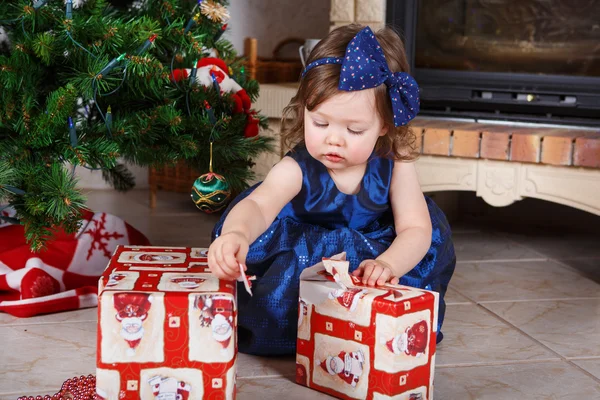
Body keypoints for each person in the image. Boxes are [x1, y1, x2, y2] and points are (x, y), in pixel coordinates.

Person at [207, 24, 456, 355]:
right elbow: (260, 205)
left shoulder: (396, 165)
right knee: (284, 282)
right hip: (305, 259)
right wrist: (236, 233)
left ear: (384, 125)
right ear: (304, 111)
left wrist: (390, 264)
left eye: (354, 129)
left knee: (406, 265)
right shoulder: (297, 168)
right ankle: (294, 333)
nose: (333, 139)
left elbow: (416, 228)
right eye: (320, 123)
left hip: (370, 258)